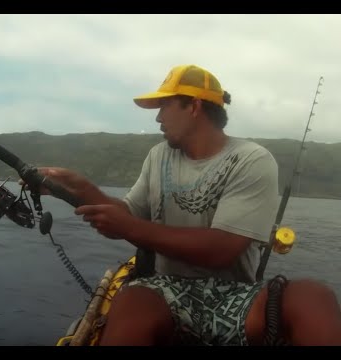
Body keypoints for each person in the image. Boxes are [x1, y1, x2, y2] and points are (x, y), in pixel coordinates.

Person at [24, 64, 341, 346]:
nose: (158, 117)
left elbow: (224, 248)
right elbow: (128, 216)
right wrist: (81, 187)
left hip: (235, 295)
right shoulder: (158, 156)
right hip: (165, 291)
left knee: (313, 296)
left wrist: (130, 228)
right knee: (133, 301)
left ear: (194, 106)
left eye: (164, 106)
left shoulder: (251, 160)